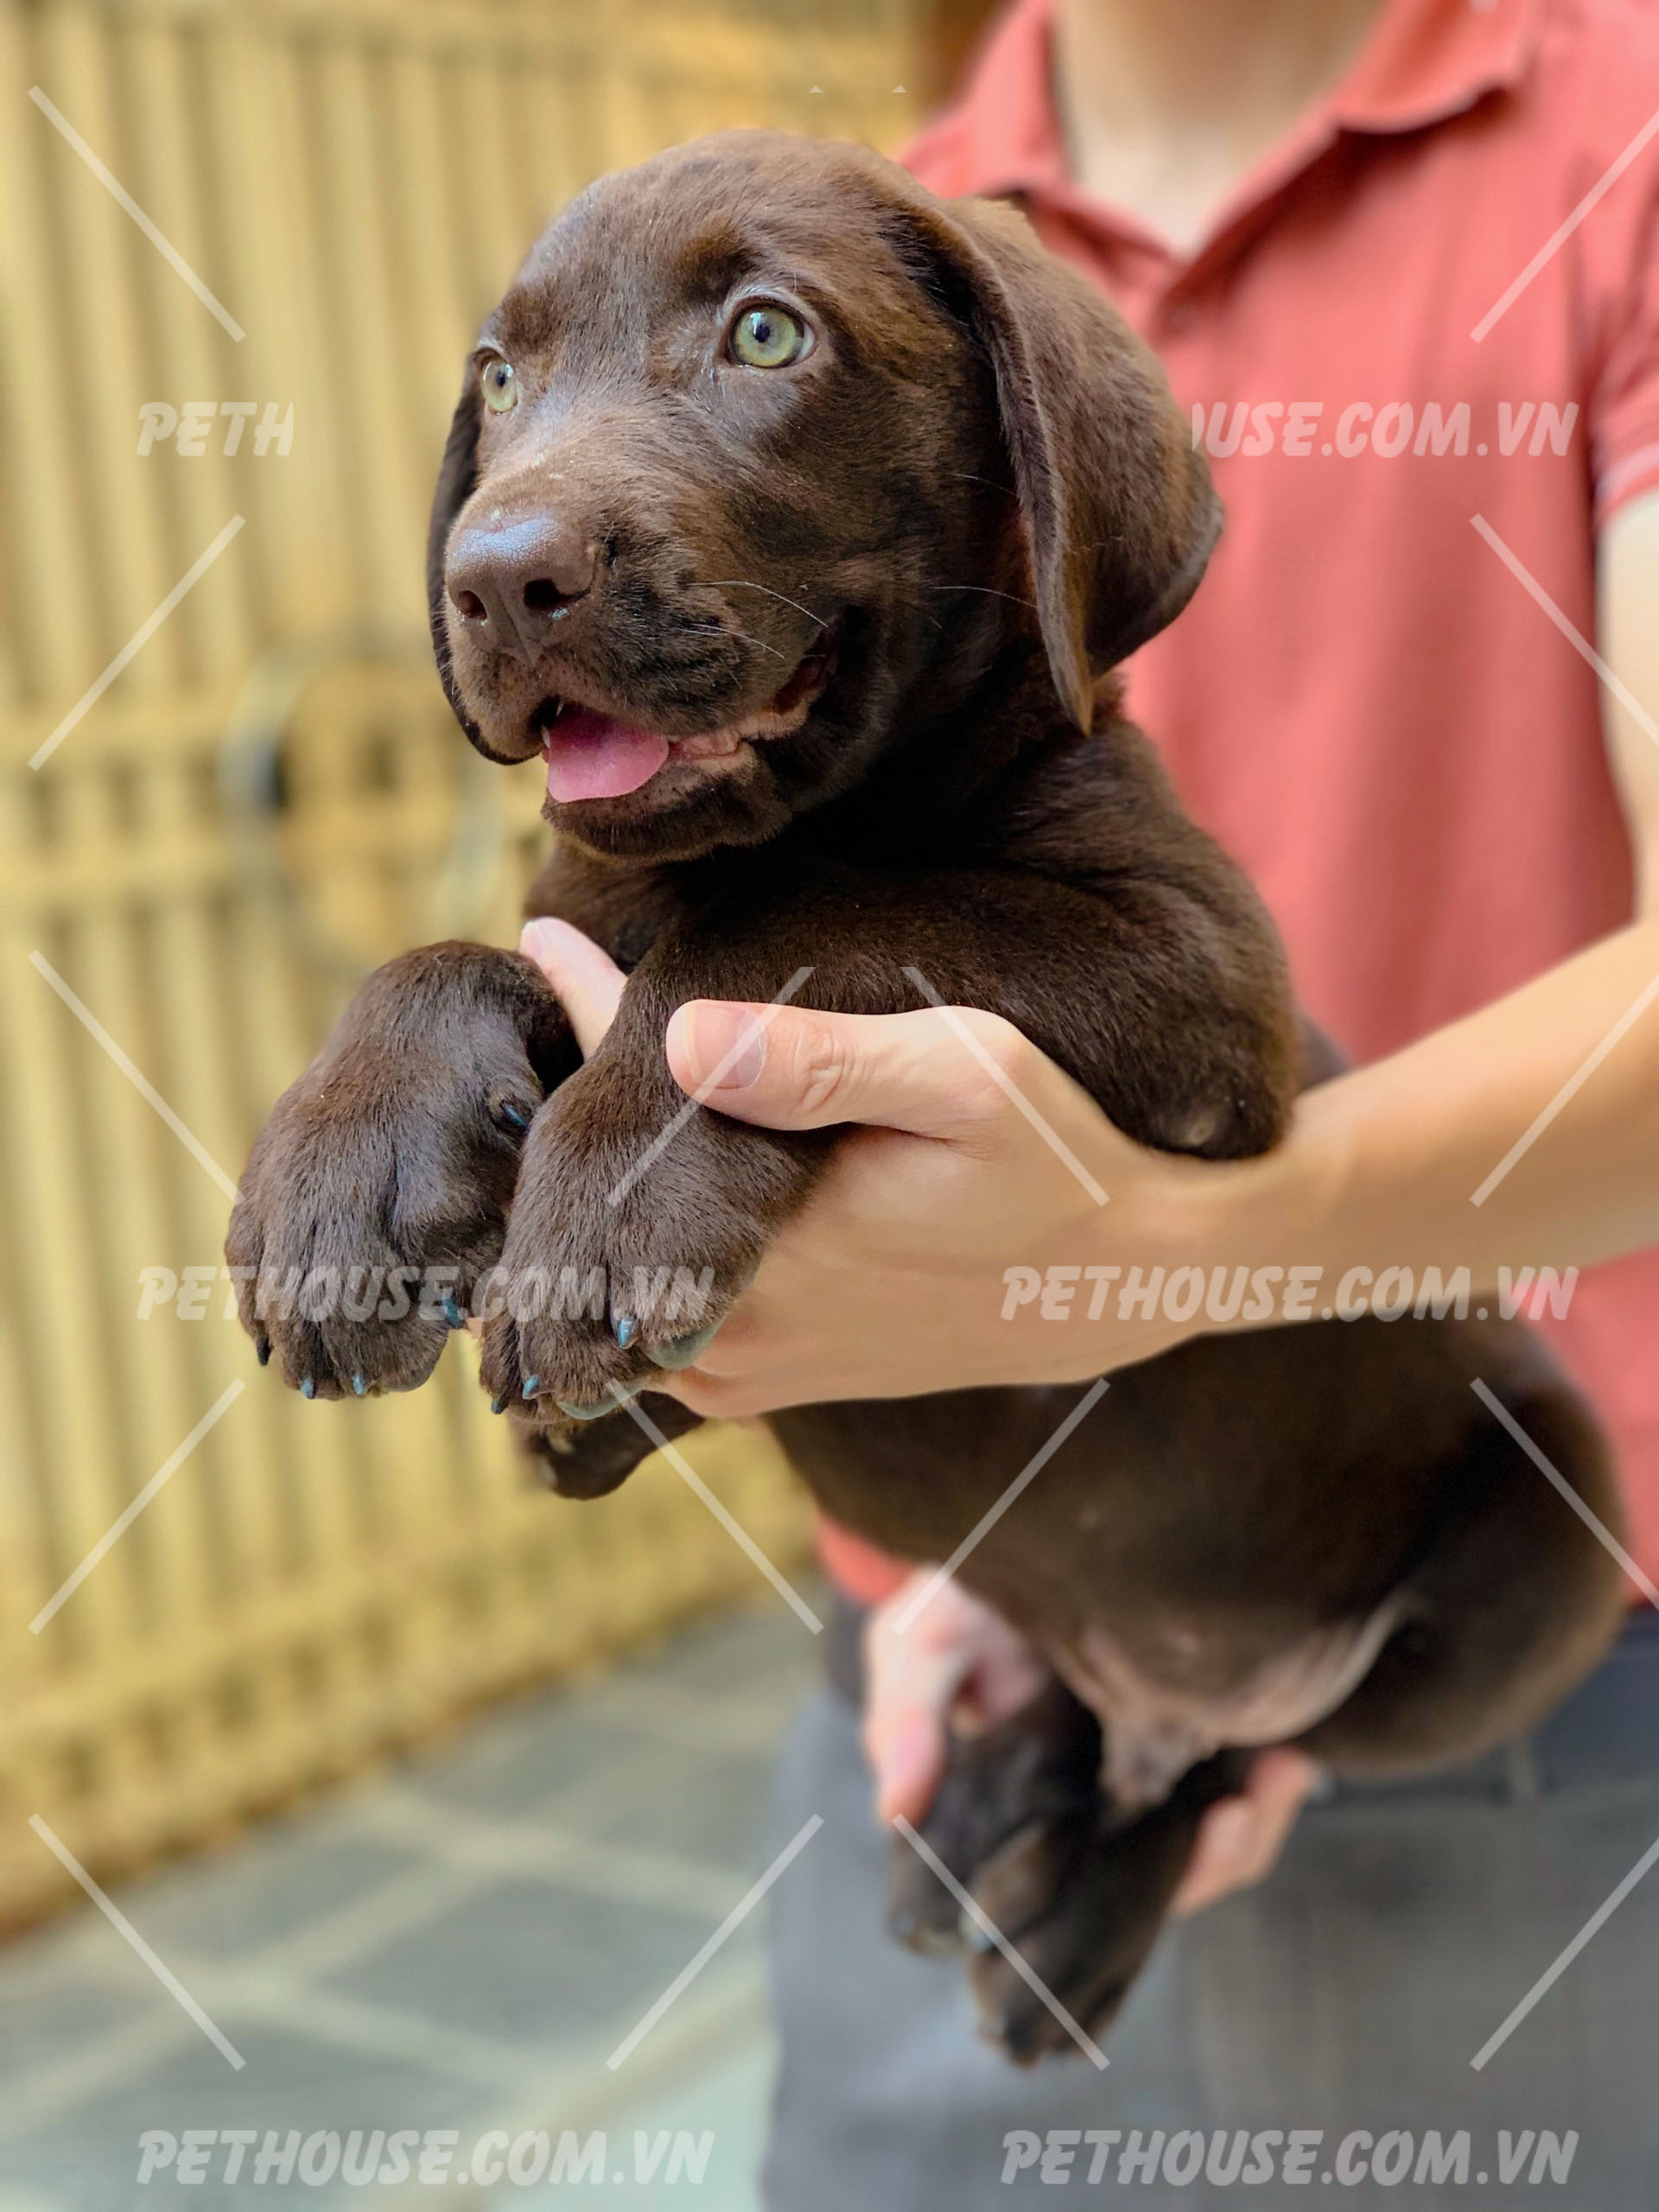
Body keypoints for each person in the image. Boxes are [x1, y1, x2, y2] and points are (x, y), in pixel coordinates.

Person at [524, 0, 1659, 2199]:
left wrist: (1154, 1259)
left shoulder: (1618, 139)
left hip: (1517, 1639)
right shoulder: (858, 213)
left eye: (761, 346)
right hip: (952, 1651)